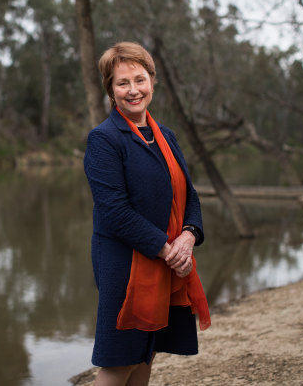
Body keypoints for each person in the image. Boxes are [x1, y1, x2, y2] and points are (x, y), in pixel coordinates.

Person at [83, 41, 211, 386]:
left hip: (164, 258)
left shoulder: (165, 136)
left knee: (146, 353)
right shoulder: (104, 139)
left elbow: (190, 196)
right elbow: (114, 212)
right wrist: (169, 251)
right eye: (122, 83)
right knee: (119, 359)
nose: (133, 90)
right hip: (123, 261)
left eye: (139, 80)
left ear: (152, 81)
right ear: (111, 89)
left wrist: (188, 236)